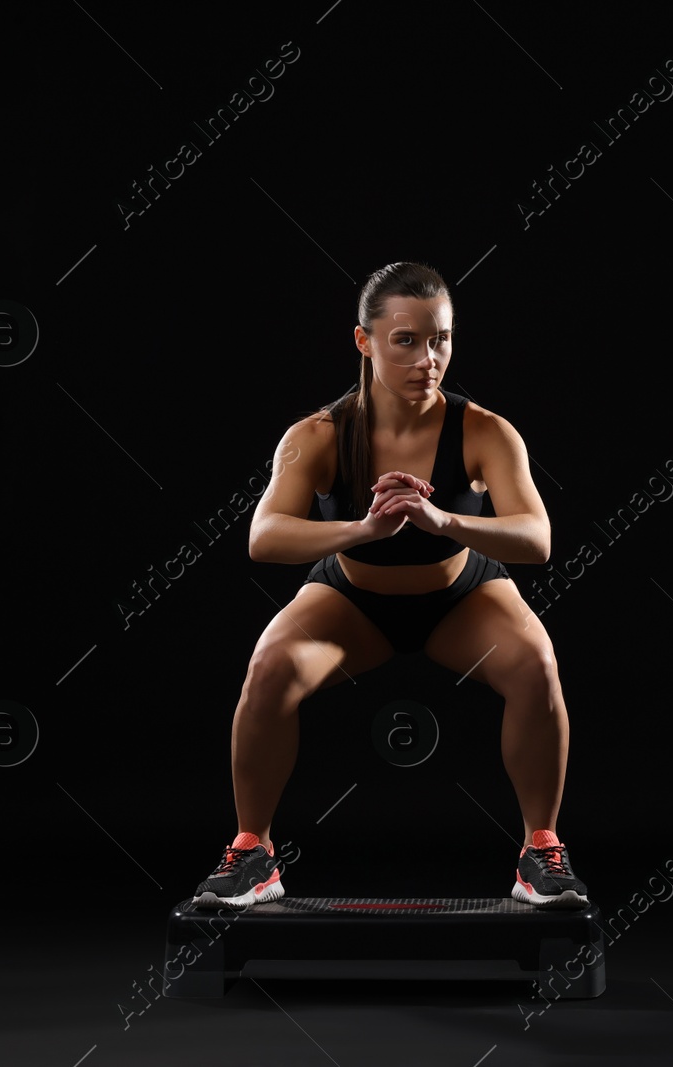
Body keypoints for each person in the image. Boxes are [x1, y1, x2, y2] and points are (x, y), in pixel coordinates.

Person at [191, 262, 588, 910]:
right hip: (354, 601)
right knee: (269, 666)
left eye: (441, 339)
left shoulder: (485, 431)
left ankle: (539, 850)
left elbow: (538, 538)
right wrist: (362, 530)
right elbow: (264, 536)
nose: (427, 357)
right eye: (406, 339)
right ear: (364, 341)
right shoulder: (318, 434)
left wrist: (442, 519)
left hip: (459, 598)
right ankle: (253, 852)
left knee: (536, 663)